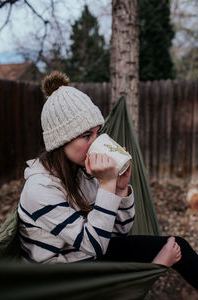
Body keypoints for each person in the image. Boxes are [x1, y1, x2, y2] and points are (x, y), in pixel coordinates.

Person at [18, 71, 198, 290]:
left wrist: (120, 189)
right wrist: (106, 184)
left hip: (85, 253)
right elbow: (94, 245)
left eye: (98, 133)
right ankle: (148, 273)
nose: (96, 142)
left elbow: (120, 230)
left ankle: (147, 271)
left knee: (179, 245)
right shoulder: (40, 189)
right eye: (87, 136)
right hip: (60, 278)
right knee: (160, 255)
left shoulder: (81, 171)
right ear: (60, 142)